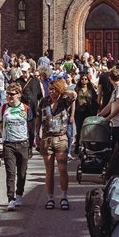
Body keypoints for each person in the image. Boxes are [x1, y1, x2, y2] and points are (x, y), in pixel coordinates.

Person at [39, 81, 72, 210]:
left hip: (61, 138)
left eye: (54, 89)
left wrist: (62, 91)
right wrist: (36, 133)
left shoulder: (65, 101)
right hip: (46, 138)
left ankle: (64, 197)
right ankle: (50, 198)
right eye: (50, 89)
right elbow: (38, 118)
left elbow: (73, 94)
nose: (51, 91)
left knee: (62, 169)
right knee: (49, 171)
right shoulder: (43, 101)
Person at [0, 94, 33, 209]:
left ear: (18, 95)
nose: (9, 96)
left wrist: (31, 145)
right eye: (8, 93)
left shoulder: (26, 108)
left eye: (12, 94)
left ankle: (19, 194)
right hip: (9, 144)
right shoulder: (4, 108)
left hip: (23, 143)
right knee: (10, 173)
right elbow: (0, 124)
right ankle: (11, 199)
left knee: (22, 173)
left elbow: (30, 125)